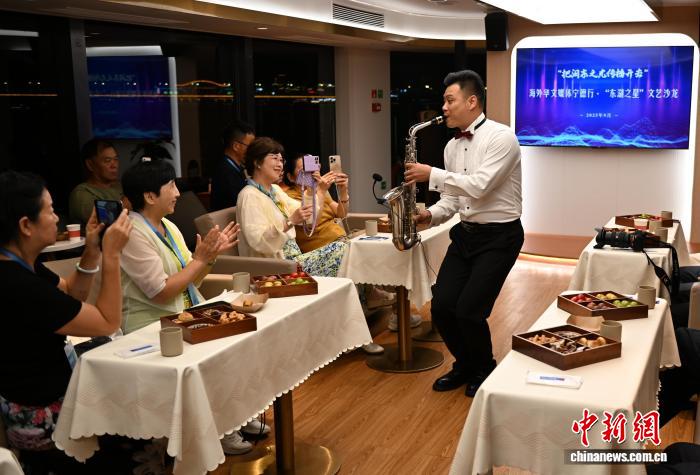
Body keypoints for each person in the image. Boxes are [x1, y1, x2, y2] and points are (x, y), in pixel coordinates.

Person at [120, 160, 260, 454]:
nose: (177, 193)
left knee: (236, 342)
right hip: (153, 326)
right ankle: (222, 428)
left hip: (183, 315)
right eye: (171, 185)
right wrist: (200, 259)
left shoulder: (168, 226)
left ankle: (236, 414)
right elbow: (161, 291)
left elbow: (191, 277)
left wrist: (209, 257)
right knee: (217, 352)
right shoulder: (132, 232)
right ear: (149, 196)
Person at [0, 170, 132, 471]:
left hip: (39, 397)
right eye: (49, 210)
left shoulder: (19, 267)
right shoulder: (19, 286)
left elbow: (71, 291)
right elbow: (107, 321)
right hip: (43, 417)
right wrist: (112, 256)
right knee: (138, 424)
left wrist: (92, 250)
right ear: (26, 225)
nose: (57, 218)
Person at [404, 70, 524, 397]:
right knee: (442, 307)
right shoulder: (451, 147)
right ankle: (464, 365)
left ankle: (484, 368)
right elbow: (454, 199)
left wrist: (431, 174)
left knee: (470, 310)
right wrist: (429, 214)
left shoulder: (502, 138)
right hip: (466, 234)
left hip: (500, 237)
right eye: (444, 101)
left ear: (472, 101)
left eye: (449, 100)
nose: (443, 107)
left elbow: (480, 186)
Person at [236, 138, 347, 277]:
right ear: (257, 162)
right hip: (275, 266)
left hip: (293, 260)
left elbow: (309, 218)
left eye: (281, 160)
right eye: (274, 158)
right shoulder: (249, 195)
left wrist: (312, 190)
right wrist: (290, 221)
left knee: (347, 249)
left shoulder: (275, 190)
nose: (279, 164)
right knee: (342, 249)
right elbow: (258, 241)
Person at [69, 138, 123, 226]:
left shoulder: (120, 186)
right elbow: (105, 220)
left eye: (116, 159)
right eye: (107, 161)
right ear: (90, 165)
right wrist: (124, 205)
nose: (114, 165)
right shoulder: (81, 193)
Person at [210, 119, 255, 211]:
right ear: (236, 146)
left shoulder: (234, 167)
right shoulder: (225, 171)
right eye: (250, 146)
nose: (253, 150)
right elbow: (243, 203)